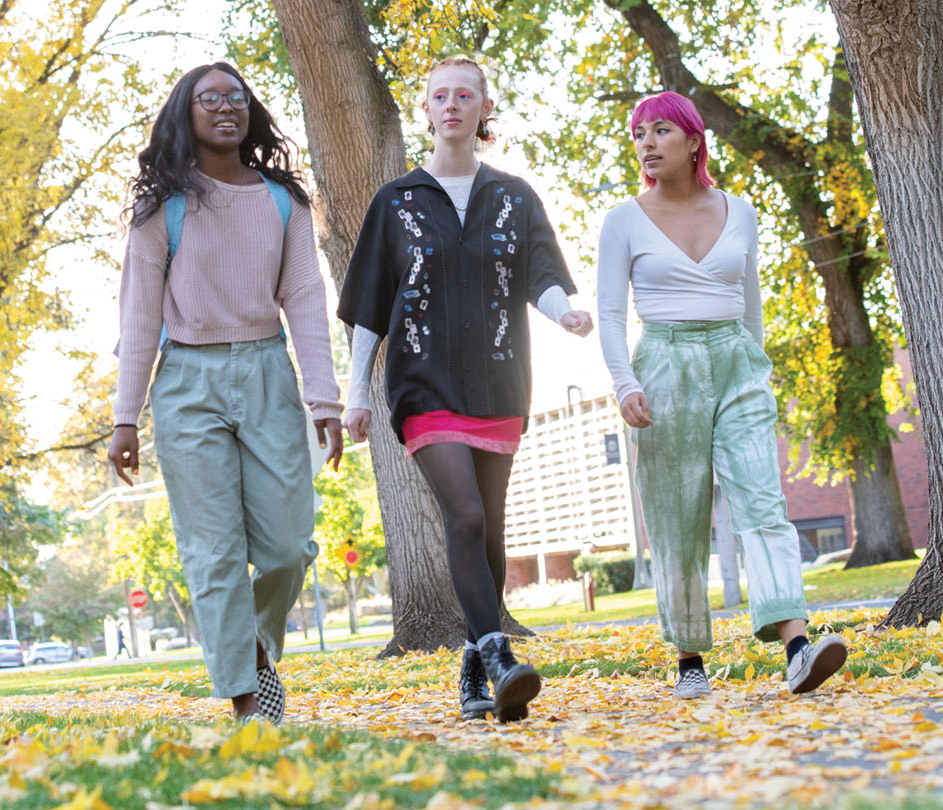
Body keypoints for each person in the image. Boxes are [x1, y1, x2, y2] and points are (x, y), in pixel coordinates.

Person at [337, 56, 593, 723]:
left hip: (500, 382)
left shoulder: (515, 196)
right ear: (425, 109)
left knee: (490, 529)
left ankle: (473, 674)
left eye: (464, 96)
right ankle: (497, 651)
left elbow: (541, 273)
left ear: (484, 110)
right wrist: (356, 395)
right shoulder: (395, 202)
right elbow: (370, 304)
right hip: (422, 384)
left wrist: (565, 311)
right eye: (439, 96)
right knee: (466, 516)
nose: (451, 105)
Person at [108, 61, 344, 724]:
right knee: (212, 553)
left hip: (268, 372)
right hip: (187, 384)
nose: (224, 108)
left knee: (289, 545)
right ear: (186, 113)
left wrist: (324, 400)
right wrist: (125, 417)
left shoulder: (282, 202)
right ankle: (248, 703)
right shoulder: (163, 207)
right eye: (209, 99)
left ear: (250, 111)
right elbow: (138, 316)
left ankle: (258, 651)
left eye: (235, 98)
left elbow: (303, 296)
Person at [597, 90, 848, 700]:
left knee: (764, 502)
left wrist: (758, 370)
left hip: (737, 361)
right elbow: (608, 313)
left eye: (660, 130)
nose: (647, 143)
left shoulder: (741, 211)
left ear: (693, 139)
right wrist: (625, 384)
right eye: (638, 134)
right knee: (677, 516)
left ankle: (796, 646)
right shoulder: (623, 219)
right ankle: (688, 659)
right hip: (664, 363)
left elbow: (750, 303)